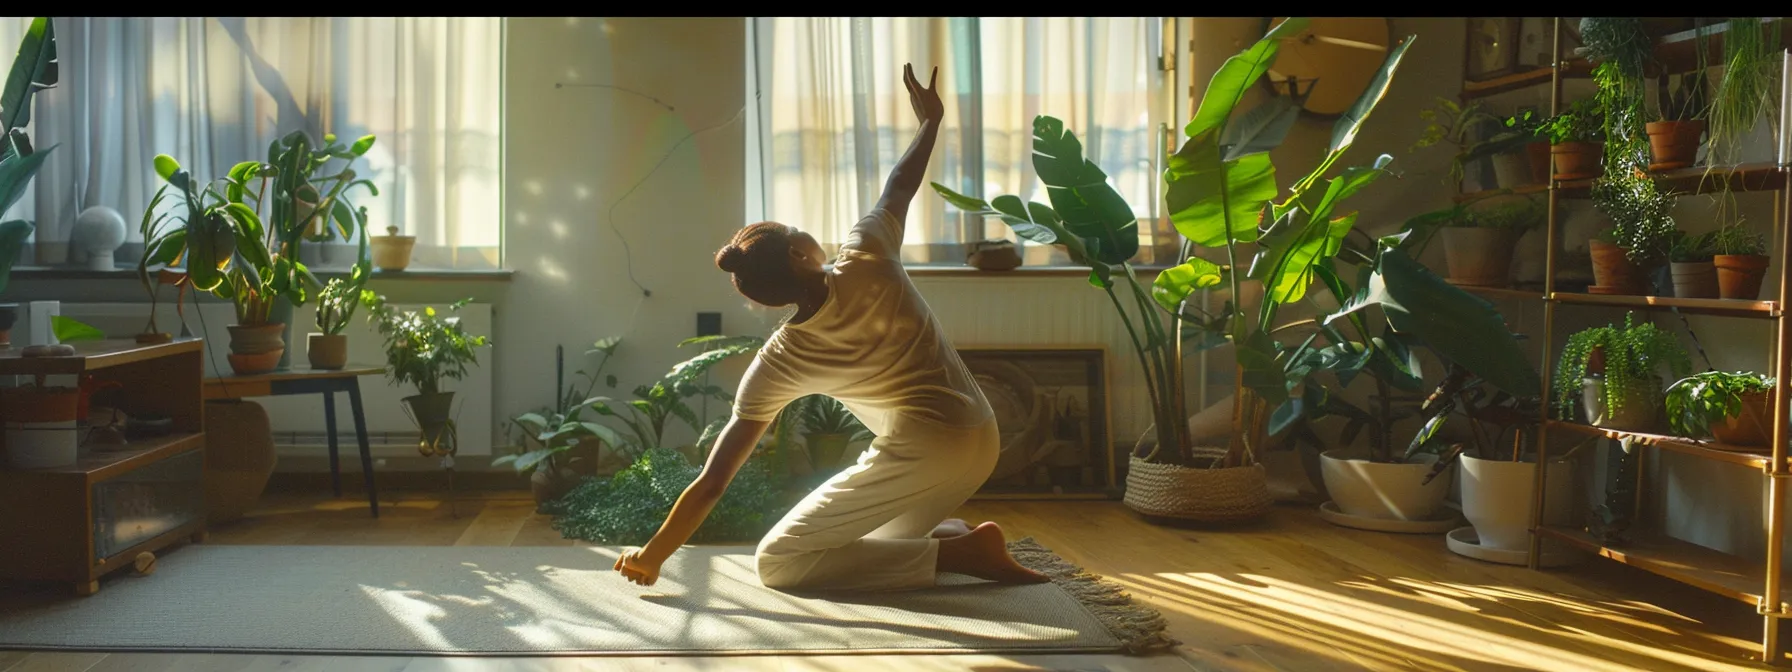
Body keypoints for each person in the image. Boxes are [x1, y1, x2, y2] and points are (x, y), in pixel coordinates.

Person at [613, 63, 1049, 592]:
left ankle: (964, 552)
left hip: (924, 452)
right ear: (799, 253)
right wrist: (929, 122)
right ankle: (950, 534)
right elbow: (899, 187)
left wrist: (654, 553)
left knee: (780, 563)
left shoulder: (781, 359)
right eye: (799, 231)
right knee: (859, 544)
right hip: (981, 438)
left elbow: (713, 480)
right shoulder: (866, 256)